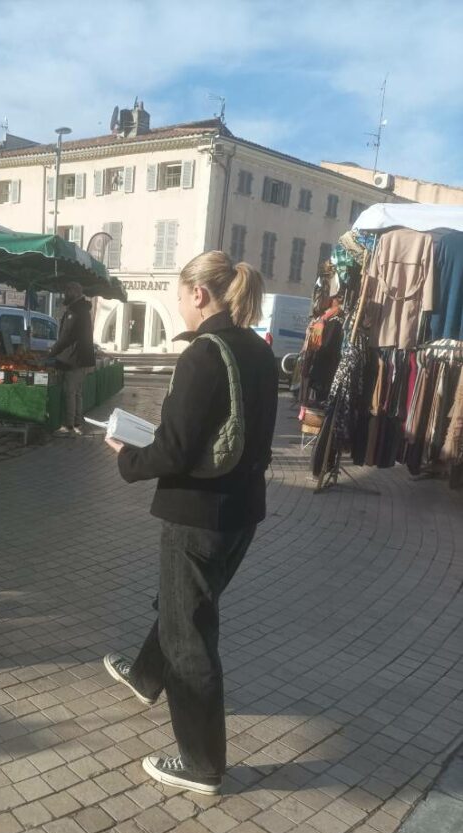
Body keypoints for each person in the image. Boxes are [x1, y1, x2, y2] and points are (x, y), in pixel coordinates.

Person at [103, 251, 278, 795]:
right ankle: (145, 675)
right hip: (240, 511)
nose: (179, 307)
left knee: (191, 634)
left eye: (180, 297)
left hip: (197, 514)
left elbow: (175, 449)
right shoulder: (259, 350)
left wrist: (126, 459)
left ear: (199, 294)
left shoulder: (204, 354)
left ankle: (201, 762)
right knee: (185, 607)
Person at [50, 281, 95, 435]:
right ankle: (77, 423)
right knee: (77, 392)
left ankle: (69, 425)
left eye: (66, 292)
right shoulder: (82, 309)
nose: (64, 295)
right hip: (80, 358)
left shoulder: (74, 311)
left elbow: (65, 337)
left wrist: (51, 353)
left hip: (73, 359)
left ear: (74, 293)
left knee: (70, 392)